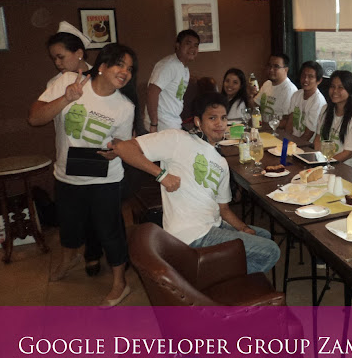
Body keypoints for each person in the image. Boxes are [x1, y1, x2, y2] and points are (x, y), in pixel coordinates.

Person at [110, 92, 280, 274]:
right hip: (191, 234)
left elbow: (223, 209)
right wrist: (161, 175)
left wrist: (243, 228)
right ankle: (209, 279)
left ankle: (213, 272)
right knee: (271, 251)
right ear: (198, 122)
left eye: (223, 118)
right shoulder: (178, 139)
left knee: (263, 235)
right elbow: (123, 148)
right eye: (212, 118)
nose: (220, 123)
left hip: (212, 224)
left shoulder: (221, 162)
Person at [28, 43, 138, 307]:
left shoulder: (125, 106)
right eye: (120, 65)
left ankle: (120, 283)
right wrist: (66, 98)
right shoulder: (68, 81)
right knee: (69, 226)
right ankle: (69, 259)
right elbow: (34, 118)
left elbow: (121, 144)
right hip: (67, 175)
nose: (125, 72)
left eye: (130, 68)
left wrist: (115, 151)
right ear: (102, 66)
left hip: (105, 179)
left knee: (110, 232)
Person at [45, 22, 104, 277]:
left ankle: (93, 254)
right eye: (54, 58)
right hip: (68, 154)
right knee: (68, 214)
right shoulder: (56, 83)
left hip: (96, 153)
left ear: (79, 53)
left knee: (96, 213)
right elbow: (39, 116)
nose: (57, 63)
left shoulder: (101, 78)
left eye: (61, 57)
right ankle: (68, 256)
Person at [144, 29, 200, 132]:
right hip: (162, 124)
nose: (193, 48)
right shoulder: (168, 65)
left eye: (196, 45)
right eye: (188, 43)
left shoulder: (184, 69)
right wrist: (154, 123)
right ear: (177, 45)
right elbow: (152, 92)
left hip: (173, 122)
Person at [314, 70, 352, 170]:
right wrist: (318, 160)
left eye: (340, 87)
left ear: (350, 90)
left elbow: (348, 153)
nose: (335, 91)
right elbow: (318, 139)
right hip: (325, 163)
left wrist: (325, 164)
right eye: (332, 86)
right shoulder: (325, 109)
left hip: (346, 168)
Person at [280, 61, 327, 140]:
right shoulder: (296, 95)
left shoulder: (318, 102)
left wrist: (294, 145)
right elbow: (290, 122)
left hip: (307, 144)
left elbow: (308, 134)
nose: (305, 79)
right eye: (303, 75)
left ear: (319, 81)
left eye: (311, 77)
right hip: (293, 141)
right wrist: (286, 141)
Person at [248, 54, 297, 118]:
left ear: (286, 70)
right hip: (262, 123)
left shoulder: (289, 90)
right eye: (269, 66)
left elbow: (288, 120)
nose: (271, 69)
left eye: (276, 66)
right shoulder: (267, 84)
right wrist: (250, 96)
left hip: (276, 124)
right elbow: (256, 108)